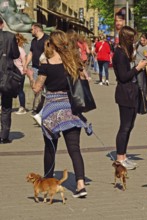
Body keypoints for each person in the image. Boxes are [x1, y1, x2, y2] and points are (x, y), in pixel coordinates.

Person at [26, 30, 90, 198]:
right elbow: (84, 78)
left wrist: (31, 77)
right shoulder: (72, 61)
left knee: (50, 148)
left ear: (52, 44)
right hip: (70, 108)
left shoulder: (46, 64)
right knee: (74, 149)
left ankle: (48, 179)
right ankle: (81, 185)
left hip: (52, 109)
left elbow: (36, 88)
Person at [112, 26, 147, 170]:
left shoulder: (125, 53)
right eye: (132, 38)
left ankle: (124, 156)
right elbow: (123, 76)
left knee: (129, 125)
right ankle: (120, 157)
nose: (134, 41)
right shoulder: (120, 54)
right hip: (125, 93)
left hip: (131, 92)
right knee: (125, 126)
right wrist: (137, 68)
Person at [23, 22, 49, 121]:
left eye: (32, 29)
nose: (31, 31)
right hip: (35, 67)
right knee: (36, 88)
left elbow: (49, 52)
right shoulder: (34, 41)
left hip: (45, 67)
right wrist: (25, 64)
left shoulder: (47, 39)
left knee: (45, 89)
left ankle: (41, 109)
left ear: (37, 29)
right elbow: (30, 53)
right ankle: (38, 108)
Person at [0, 17, 20, 143]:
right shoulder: (10, 36)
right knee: (6, 107)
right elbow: (16, 54)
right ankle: (4, 135)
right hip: (6, 75)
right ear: (2, 24)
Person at [14, 33, 27, 115]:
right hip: (11, 72)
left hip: (19, 72)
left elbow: (24, 61)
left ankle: (22, 107)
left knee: (20, 90)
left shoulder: (21, 50)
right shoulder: (10, 48)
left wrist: (24, 70)